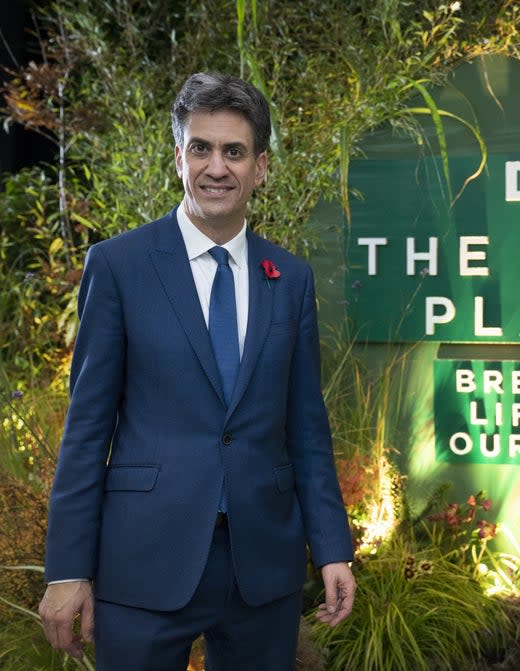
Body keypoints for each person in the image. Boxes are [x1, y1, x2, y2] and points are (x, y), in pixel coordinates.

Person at [37, 72, 356, 669]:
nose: (217, 167)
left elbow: (307, 429)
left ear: (260, 167)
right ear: (179, 158)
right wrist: (68, 568)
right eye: (201, 148)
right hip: (143, 564)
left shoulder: (290, 280)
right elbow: (86, 431)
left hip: (261, 570)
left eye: (234, 151)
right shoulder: (118, 266)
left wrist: (333, 548)